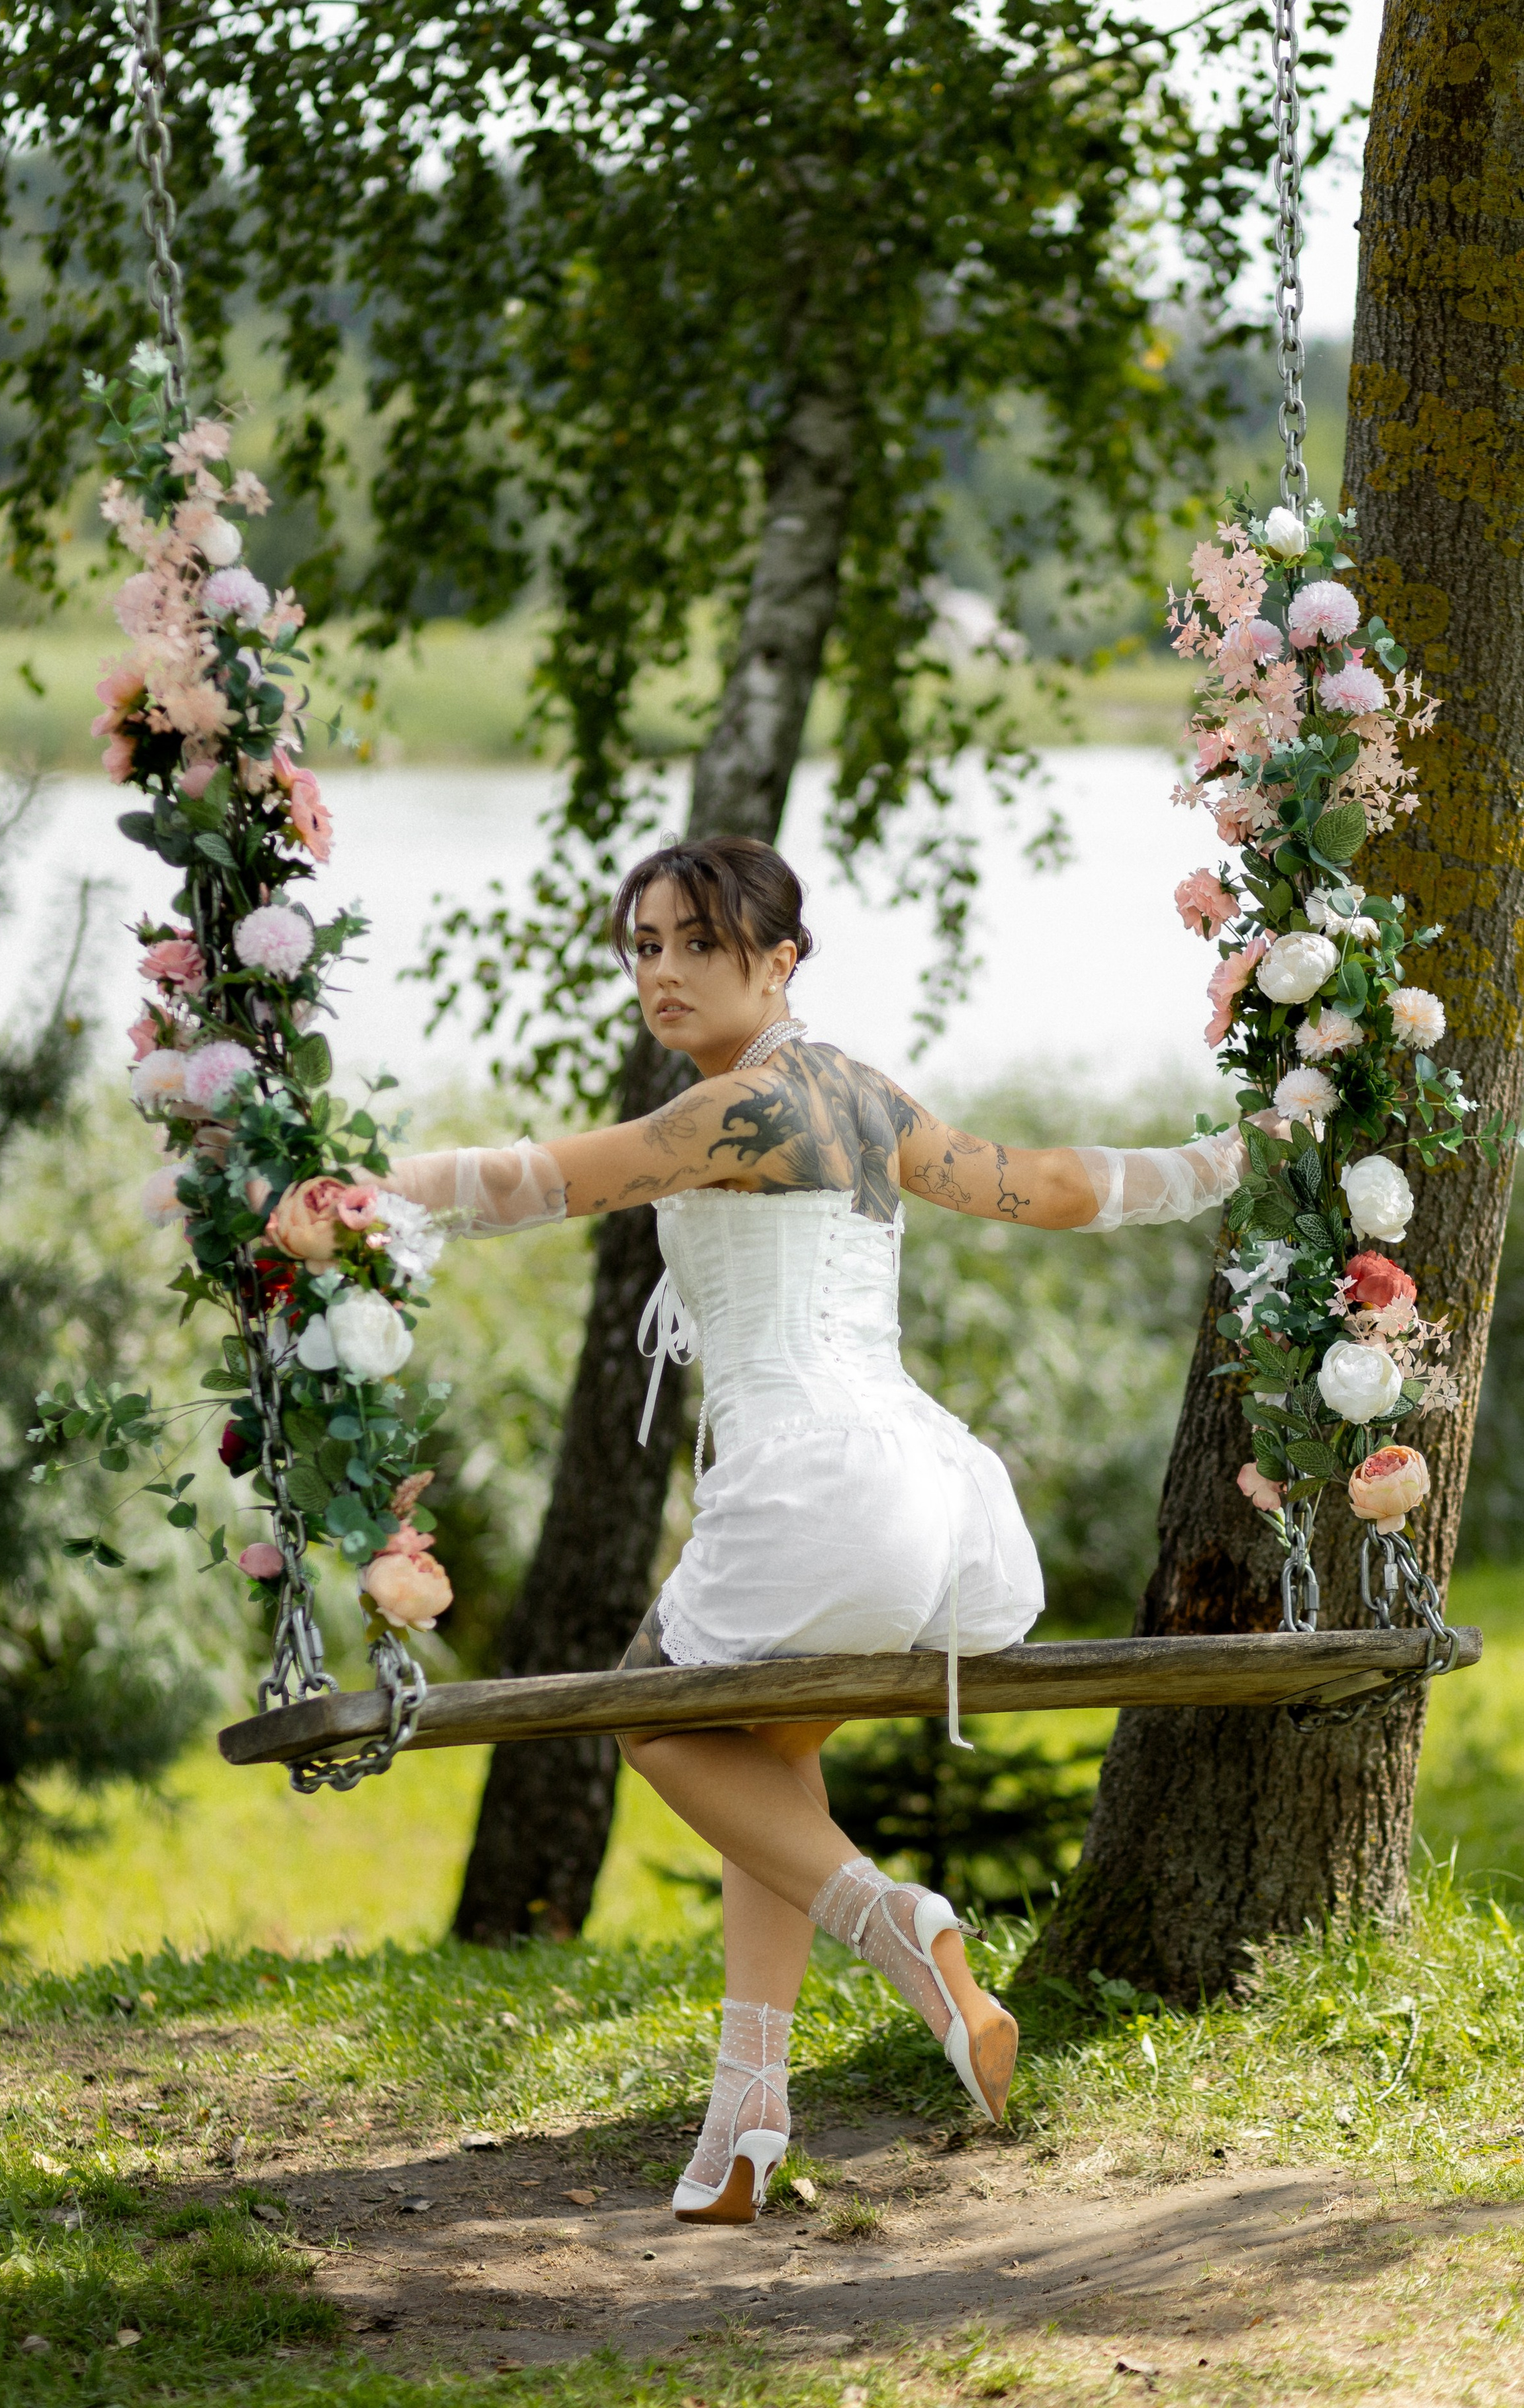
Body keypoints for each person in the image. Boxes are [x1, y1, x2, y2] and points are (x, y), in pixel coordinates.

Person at [384, 835, 1254, 2225]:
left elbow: (532, 1180)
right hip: (929, 1490)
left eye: (694, 943)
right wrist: (1230, 1159)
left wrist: (347, 1192)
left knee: (649, 1716)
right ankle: (744, 2123)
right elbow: (1060, 1187)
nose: (659, 972)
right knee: (761, 1774)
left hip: (813, 1490)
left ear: (778, 959)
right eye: (642, 946)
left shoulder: (742, 1111)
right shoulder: (862, 1094)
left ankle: (891, 1925)